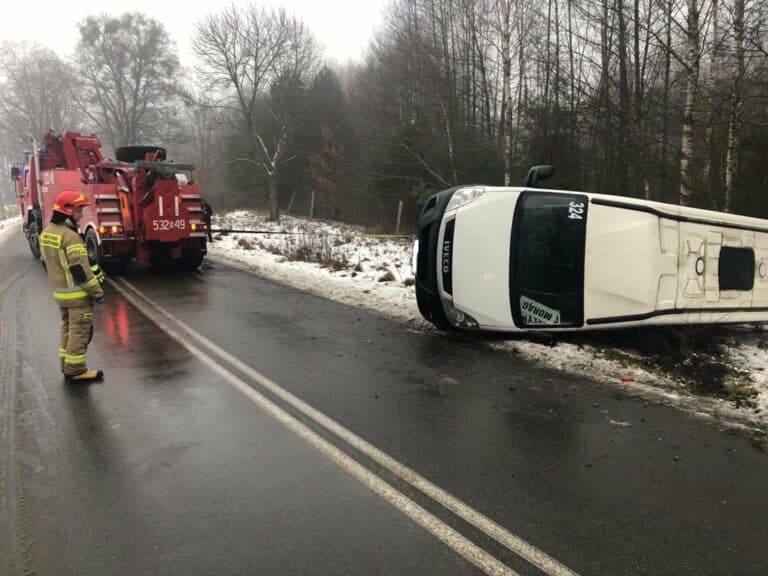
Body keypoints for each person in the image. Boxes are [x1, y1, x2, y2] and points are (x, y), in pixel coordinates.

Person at [39, 190, 106, 382]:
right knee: (80, 331)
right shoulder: (71, 237)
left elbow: (46, 262)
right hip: (78, 296)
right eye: (79, 210)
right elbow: (81, 271)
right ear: (68, 211)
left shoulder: (47, 233)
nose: (82, 214)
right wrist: (97, 292)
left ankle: (66, 365)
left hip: (61, 294)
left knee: (68, 329)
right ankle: (76, 370)